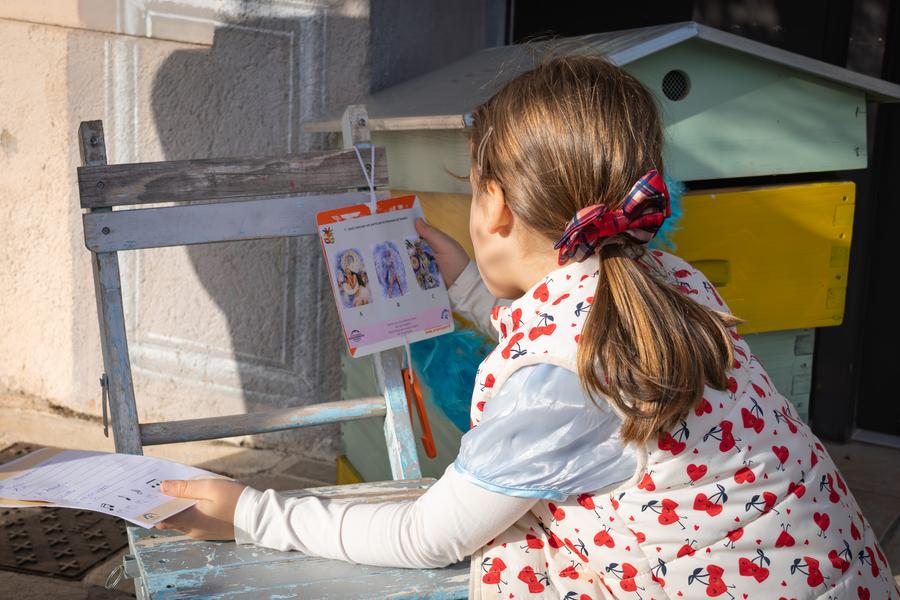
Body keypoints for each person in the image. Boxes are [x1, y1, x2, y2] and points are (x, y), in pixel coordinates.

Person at [155, 54, 897, 599]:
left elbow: (426, 536)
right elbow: (572, 318)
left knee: (510, 539)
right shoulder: (668, 280)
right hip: (832, 577)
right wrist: (465, 282)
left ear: (497, 208)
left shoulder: (555, 385)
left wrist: (249, 512)